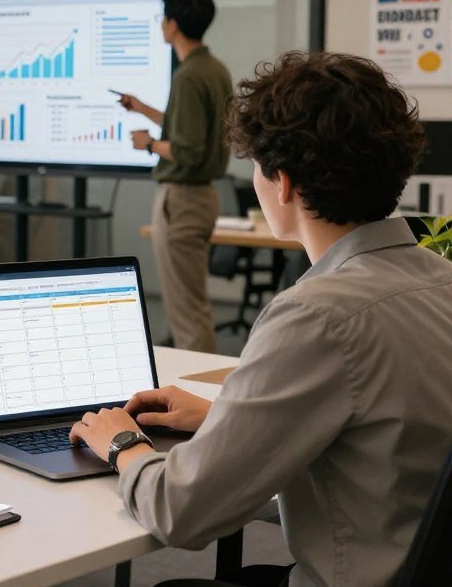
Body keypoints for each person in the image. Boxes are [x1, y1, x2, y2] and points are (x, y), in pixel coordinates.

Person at [69, 52, 452, 587]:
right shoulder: (441, 281)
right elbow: (378, 420)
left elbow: (181, 511)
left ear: (285, 184)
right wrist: (227, 413)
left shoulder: (317, 315)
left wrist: (121, 442)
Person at [118, 0, 233, 353]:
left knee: (186, 312)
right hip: (202, 198)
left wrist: (148, 144)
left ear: (173, 24)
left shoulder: (187, 76)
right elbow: (189, 128)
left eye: (162, 19)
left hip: (182, 199)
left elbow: (186, 149)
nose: (161, 25)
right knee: (192, 305)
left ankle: (199, 397)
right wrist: (143, 109)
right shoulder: (212, 69)